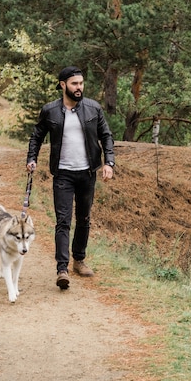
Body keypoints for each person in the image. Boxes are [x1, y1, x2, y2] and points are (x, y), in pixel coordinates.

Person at [26, 66, 115, 290]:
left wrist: (109, 162)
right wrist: (31, 158)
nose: (79, 88)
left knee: (84, 219)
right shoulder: (51, 111)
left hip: (87, 172)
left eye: (81, 83)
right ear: (63, 84)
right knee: (63, 221)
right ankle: (62, 269)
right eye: (74, 84)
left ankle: (79, 260)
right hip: (63, 173)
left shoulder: (93, 108)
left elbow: (106, 135)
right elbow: (37, 136)